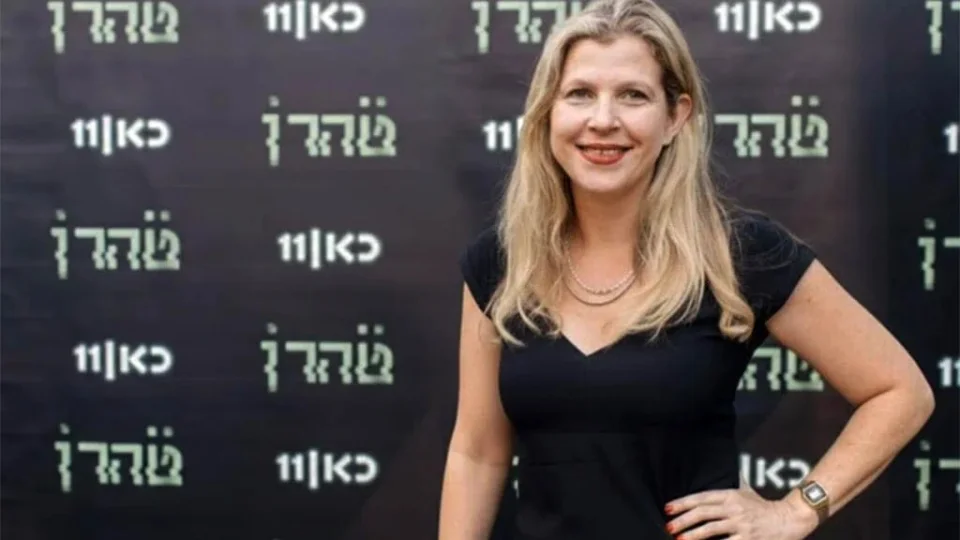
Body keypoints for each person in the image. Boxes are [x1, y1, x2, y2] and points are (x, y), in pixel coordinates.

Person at [436, 0, 936, 538]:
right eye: (579, 94)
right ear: (547, 113)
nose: (603, 120)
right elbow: (477, 452)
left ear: (676, 117)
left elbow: (899, 392)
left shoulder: (739, 254)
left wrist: (796, 509)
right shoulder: (502, 262)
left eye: (633, 95)